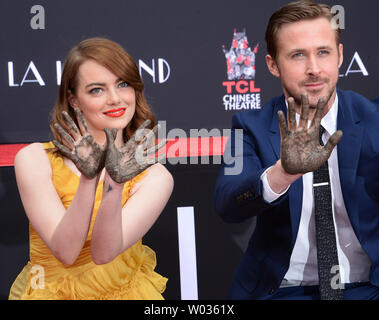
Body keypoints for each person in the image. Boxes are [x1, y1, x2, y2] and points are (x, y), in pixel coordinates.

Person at [214, 0, 379, 300]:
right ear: (273, 65)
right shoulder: (249, 126)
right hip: (283, 291)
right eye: (298, 55)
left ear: (340, 56)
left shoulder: (374, 119)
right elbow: (227, 201)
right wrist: (282, 173)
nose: (314, 69)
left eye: (323, 52)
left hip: (368, 287)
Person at [8, 37, 173, 300]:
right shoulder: (34, 159)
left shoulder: (155, 177)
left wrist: (114, 186)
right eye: (97, 90)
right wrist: (89, 179)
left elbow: (104, 253)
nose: (115, 98)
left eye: (123, 84)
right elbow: (66, 251)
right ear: (73, 100)